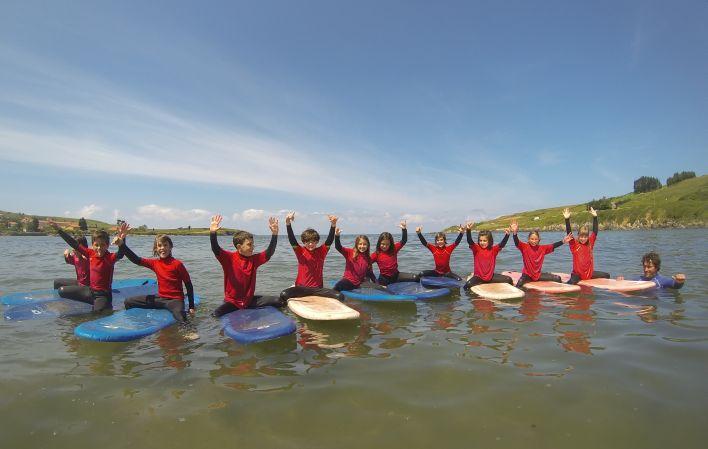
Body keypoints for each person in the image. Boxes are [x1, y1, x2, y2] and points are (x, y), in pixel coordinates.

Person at [113, 222, 197, 337]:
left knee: (180, 316)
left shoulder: (177, 264)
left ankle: (189, 331)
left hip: (175, 300)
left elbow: (188, 284)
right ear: (156, 248)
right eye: (159, 246)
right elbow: (136, 259)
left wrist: (191, 306)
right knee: (129, 301)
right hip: (160, 298)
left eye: (165, 245)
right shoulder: (155, 263)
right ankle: (134, 323)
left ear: (170, 247)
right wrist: (122, 244)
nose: (162, 248)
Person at [209, 214, 282, 317]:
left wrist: (275, 234)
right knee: (215, 314)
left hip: (249, 301)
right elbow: (215, 248)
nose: (253, 247)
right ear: (239, 247)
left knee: (278, 301)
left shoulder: (254, 260)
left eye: (253, 244)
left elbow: (269, 252)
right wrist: (212, 232)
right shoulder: (228, 258)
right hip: (232, 302)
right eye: (249, 244)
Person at [47, 220, 124, 312]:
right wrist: (59, 230)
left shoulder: (110, 257)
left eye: (102, 245)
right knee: (62, 290)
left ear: (107, 245)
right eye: (96, 245)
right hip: (90, 292)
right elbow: (73, 243)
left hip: (103, 295)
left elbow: (121, 254)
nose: (99, 248)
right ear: (92, 245)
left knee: (97, 314)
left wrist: (122, 242)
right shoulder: (90, 253)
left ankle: (104, 306)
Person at [279, 212, 342, 301]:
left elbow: (329, 240)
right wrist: (288, 223)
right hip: (301, 288)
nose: (311, 244)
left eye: (313, 241)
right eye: (308, 242)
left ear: (317, 242)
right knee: (284, 294)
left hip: (318, 289)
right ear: (304, 242)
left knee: (340, 296)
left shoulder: (322, 251)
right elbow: (292, 239)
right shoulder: (300, 251)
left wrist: (333, 225)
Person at [510, 220, 572, 288]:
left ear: (539, 239)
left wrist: (563, 241)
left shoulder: (542, 248)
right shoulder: (524, 247)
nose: (534, 241)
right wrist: (515, 233)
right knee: (519, 283)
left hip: (538, 275)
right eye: (532, 239)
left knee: (557, 278)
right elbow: (516, 242)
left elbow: (553, 245)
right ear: (528, 239)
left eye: (536, 239)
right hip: (527, 275)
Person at [563, 207, 610, 284]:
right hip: (577, 275)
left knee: (607, 275)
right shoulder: (574, 244)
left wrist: (595, 217)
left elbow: (595, 231)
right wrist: (567, 219)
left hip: (589, 274)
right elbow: (569, 234)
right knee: (572, 283)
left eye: (585, 237)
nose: (583, 239)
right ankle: (563, 286)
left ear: (588, 236)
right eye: (581, 236)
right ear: (578, 235)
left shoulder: (590, 242)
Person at [464, 222, 512, 289]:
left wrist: (507, 235)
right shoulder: (476, 249)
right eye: (480, 240)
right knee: (467, 285)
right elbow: (470, 241)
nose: (482, 243)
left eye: (485, 241)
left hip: (490, 277)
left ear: (489, 241)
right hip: (478, 277)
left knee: (508, 279)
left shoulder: (493, 250)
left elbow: (502, 244)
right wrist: (468, 230)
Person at [371, 220, 419, 286]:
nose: (385, 246)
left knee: (416, 277)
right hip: (384, 279)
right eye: (382, 244)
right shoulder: (376, 254)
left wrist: (404, 229)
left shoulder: (394, 249)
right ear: (379, 243)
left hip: (396, 276)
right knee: (385, 293)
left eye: (387, 244)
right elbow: (366, 263)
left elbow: (404, 241)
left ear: (390, 244)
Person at [333, 228, 377, 292]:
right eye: (360, 244)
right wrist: (337, 236)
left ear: (368, 246)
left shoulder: (368, 258)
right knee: (337, 287)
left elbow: (370, 273)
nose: (362, 246)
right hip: (348, 281)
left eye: (364, 244)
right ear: (356, 244)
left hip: (360, 284)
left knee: (379, 287)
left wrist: (377, 283)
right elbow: (338, 247)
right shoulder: (350, 252)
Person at [621, 251, 686, 289]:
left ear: (657, 267)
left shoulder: (663, 280)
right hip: (639, 303)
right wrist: (621, 281)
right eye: (644, 266)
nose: (646, 270)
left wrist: (680, 282)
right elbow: (625, 285)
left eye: (649, 267)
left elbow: (676, 286)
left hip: (654, 302)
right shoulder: (638, 279)